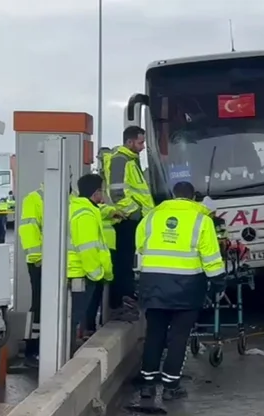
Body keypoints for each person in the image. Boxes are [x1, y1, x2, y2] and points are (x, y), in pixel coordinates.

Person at [136, 181, 225, 401]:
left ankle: (147, 385)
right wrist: (218, 285)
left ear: (173, 196)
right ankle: (170, 386)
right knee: (178, 337)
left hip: (153, 284)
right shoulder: (202, 221)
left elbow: (140, 247)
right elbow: (211, 259)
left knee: (154, 334)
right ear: (193, 197)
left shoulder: (151, 218)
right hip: (187, 288)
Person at [103, 125, 155, 321]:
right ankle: (119, 303)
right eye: (140, 142)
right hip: (127, 219)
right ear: (129, 141)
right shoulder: (121, 160)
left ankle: (124, 299)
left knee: (125, 262)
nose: (142, 147)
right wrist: (135, 212)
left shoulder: (129, 160)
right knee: (122, 263)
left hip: (133, 218)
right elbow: (117, 192)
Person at [67, 174, 114, 354]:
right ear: (96, 193)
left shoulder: (79, 209)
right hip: (82, 273)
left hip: (76, 271)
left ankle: (67, 350)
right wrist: (97, 273)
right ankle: (67, 353)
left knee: (72, 316)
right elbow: (87, 249)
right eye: (102, 190)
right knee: (74, 316)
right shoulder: (86, 214)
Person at [18, 185, 44, 367]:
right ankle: (31, 349)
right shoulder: (34, 198)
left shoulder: (68, 197)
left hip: (58, 261)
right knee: (39, 304)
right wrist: (37, 257)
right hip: (40, 261)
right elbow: (28, 228)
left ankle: (40, 347)